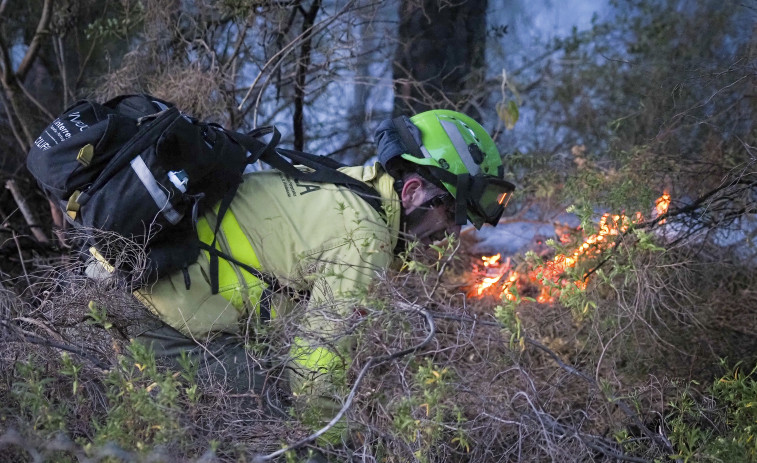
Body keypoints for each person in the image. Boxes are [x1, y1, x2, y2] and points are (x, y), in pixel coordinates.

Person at [128, 109, 515, 445]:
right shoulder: (366, 237)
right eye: (449, 217)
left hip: (157, 293)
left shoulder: (348, 186)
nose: (450, 237)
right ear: (412, 191)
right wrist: (339, 448)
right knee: (269, 412)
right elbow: (313, 370)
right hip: (162, 313)